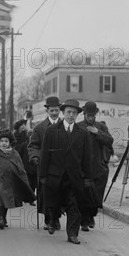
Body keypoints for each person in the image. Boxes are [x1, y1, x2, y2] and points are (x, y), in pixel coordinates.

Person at [40, 99, 92, 245]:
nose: (71, 115)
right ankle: (52, 220)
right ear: (63, 113)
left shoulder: (82, 133)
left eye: (74, 113)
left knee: (74, 205)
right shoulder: (52, 131)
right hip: (55, 175)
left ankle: (73, 234)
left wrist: (87, 177)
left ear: (77, 115)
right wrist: (43, 175)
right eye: (68, 112)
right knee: (54, 202)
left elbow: (87, 157)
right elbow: (45, 154)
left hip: (74, 177)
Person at [0, 129, 35, 229]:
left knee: (6, 200)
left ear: (10, 142)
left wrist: (23, 179)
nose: (4, 143)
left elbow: (20, 168)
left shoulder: (14, 154)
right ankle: (1, 219)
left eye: (6, 141)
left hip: (11, 181)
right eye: (2, 141)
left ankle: (3, 218)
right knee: (1, 199)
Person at [77, 101, 114, 230]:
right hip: (83, 167)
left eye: (93, 116)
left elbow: (110, 141)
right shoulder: (78, 127)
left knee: (97, 195)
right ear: (84, 114)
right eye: (88, 115)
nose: (91, 118)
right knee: (85, 194)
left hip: (98, 167)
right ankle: (85, 220)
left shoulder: (101, 127)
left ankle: (92, 214)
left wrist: (96, 132)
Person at [27, 96, 62, 231]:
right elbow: (33, 145)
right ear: (47, 111)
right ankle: (48, 219)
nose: (54, 113)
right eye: (52, 110)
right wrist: (35, 157)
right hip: (45, 166)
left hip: (60, 165)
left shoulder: (64, 126)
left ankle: (56, 217)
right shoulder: (40, 128)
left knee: (59, 191)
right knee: (45, 192)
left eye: (56, 110)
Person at [14, 119, 36, 196]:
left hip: (25, 156)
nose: (23, 126)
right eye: (22, 125)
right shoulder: (15, 135)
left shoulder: (26, 134)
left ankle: (30, 194)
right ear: (18, 126)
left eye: (24, 125)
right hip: (18, 155)